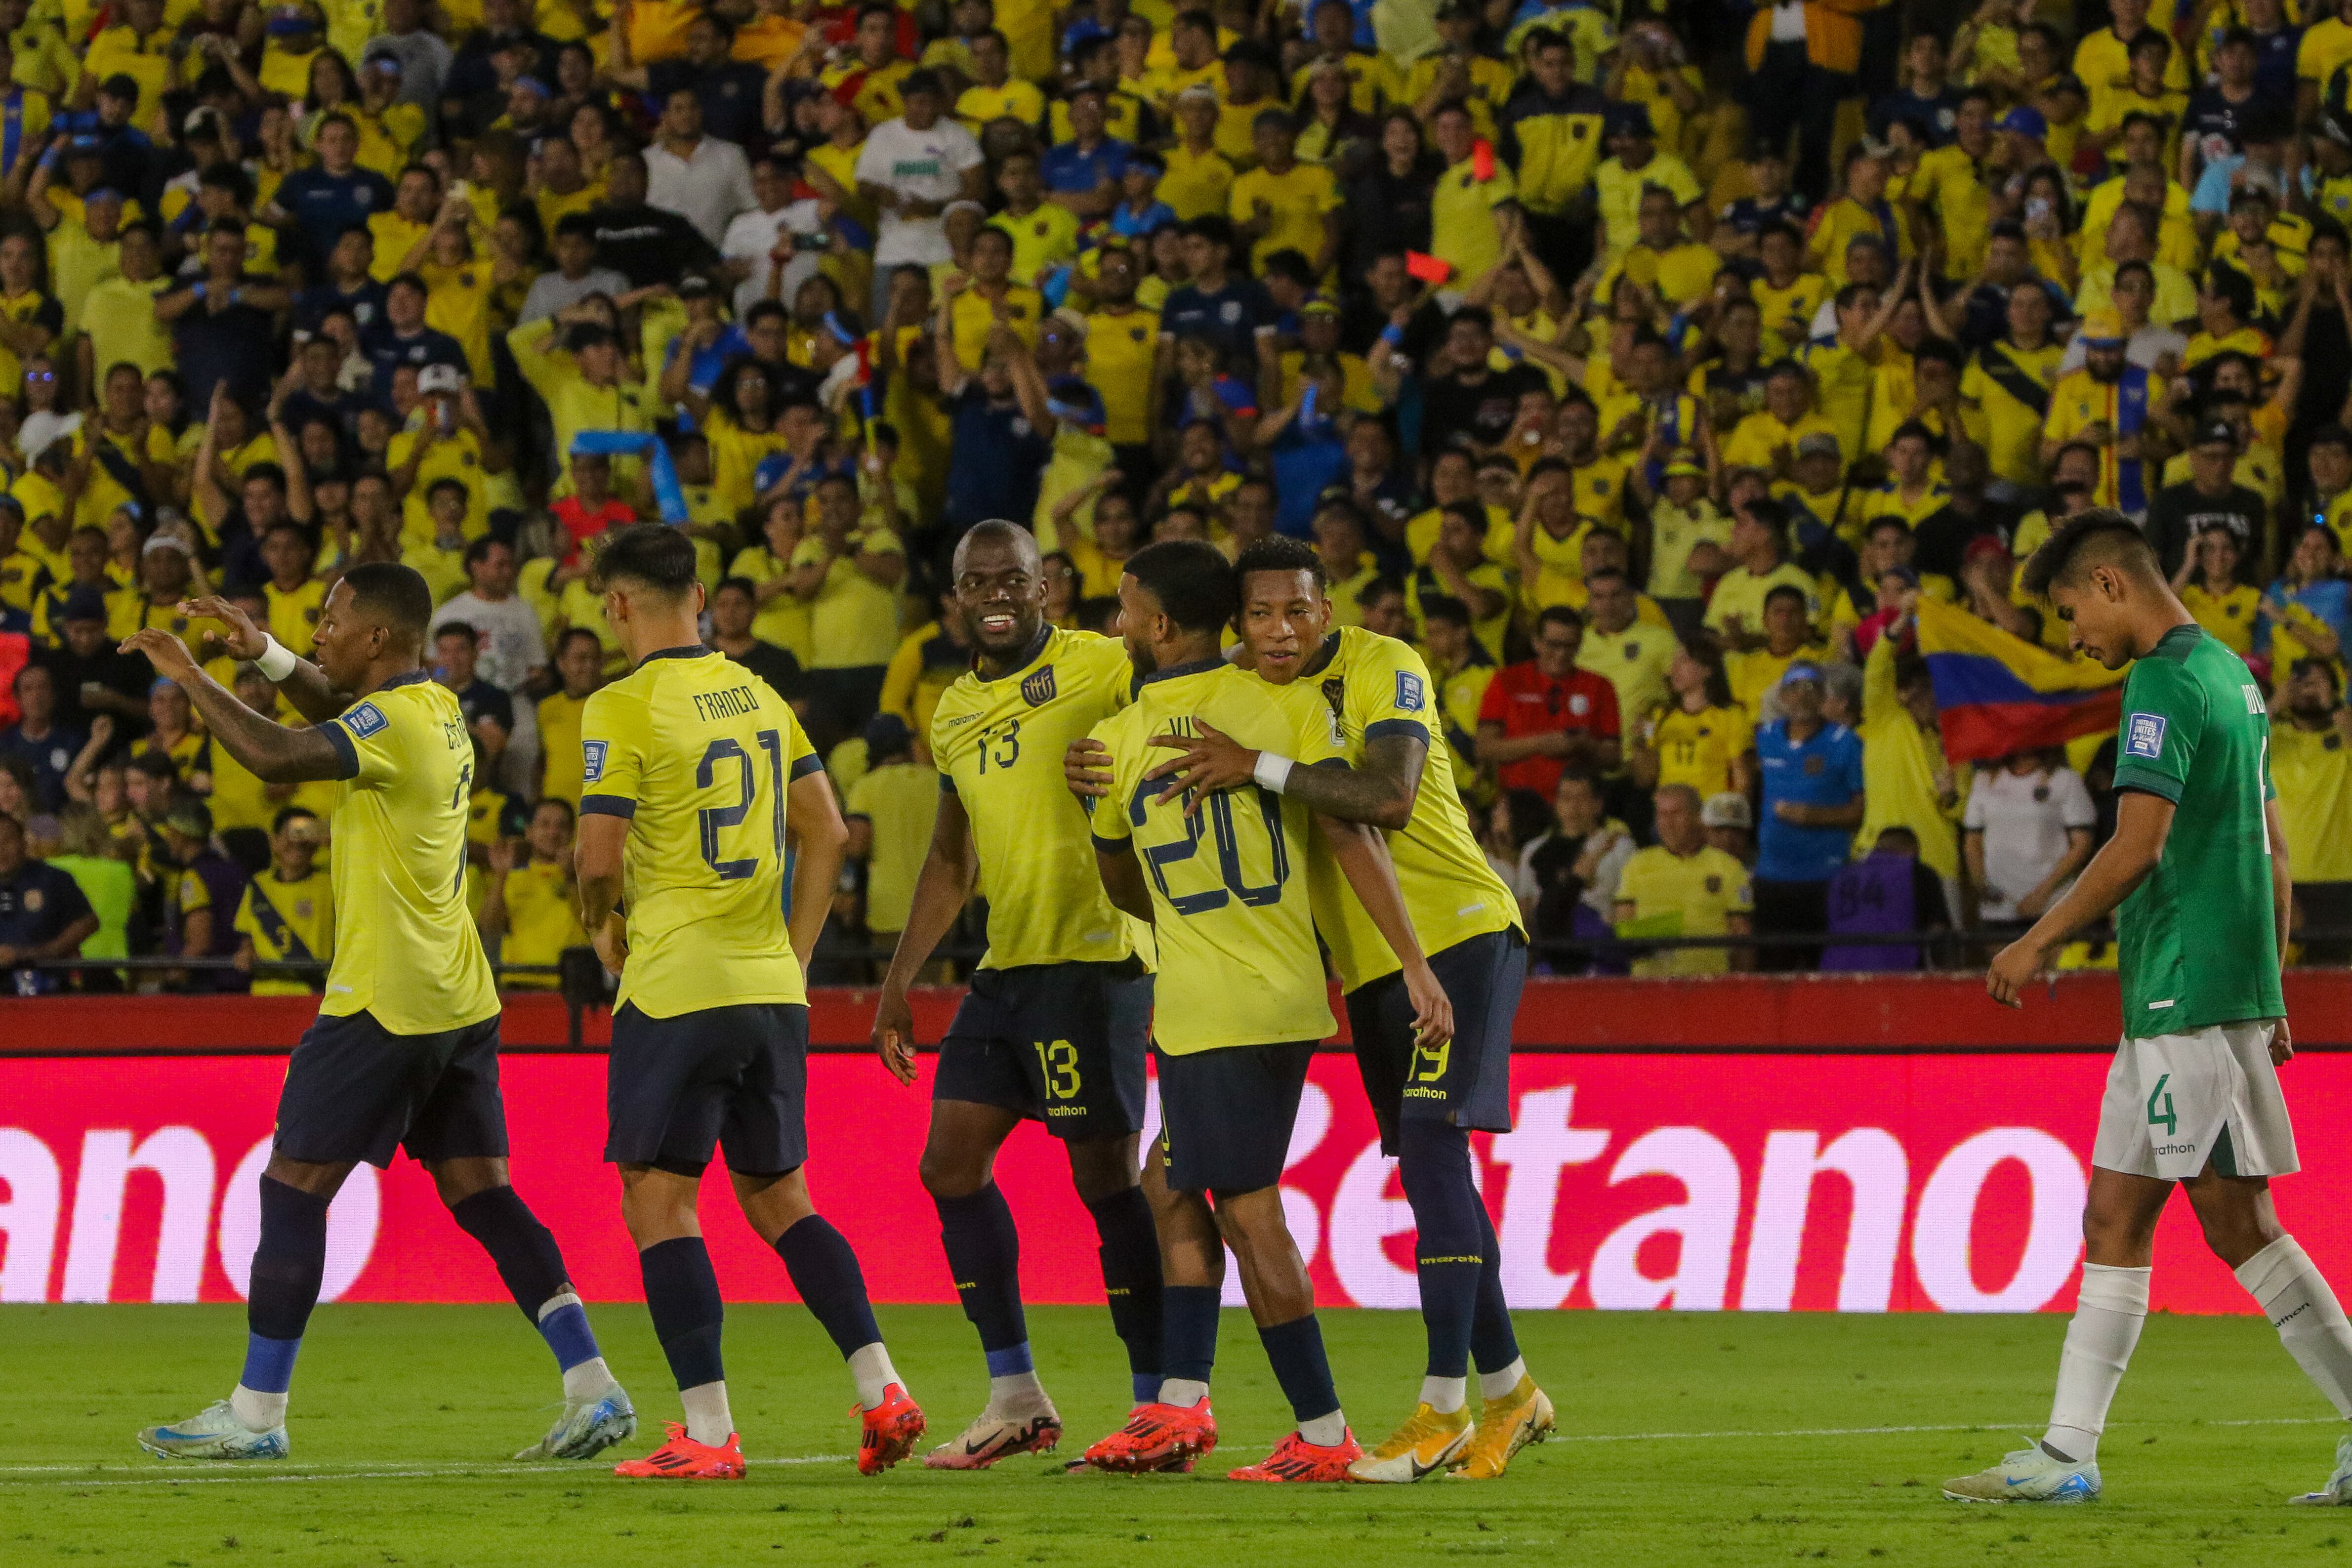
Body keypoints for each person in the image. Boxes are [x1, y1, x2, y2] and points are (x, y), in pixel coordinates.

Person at [128, 571, 633, 1464]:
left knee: (291, 1188)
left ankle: (256, 1412)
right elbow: (331, 700)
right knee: (485, 1192)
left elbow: (280, 755)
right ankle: (593, 1387)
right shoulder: (431, 703)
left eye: (331, 622)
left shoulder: (392, 723)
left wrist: (191, 678)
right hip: (459, 998)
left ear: (376, 639)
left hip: (383, 1000)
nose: (320, 633)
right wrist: (265, 650)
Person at [1124, 535, 1548, 1481]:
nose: (1281, 631)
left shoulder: (1382, 664)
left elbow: (1386, 799)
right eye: (1261, 614)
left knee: (1435, 1149)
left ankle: (1441, 1407)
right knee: (1434, 1167)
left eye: (1299, 610)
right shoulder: (1247, 696)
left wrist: (1257, 764)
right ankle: (1513, 1389)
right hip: (1366, 968)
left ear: (1328, 607)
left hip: (1458, 933)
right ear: (1237, 620)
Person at [1953, 510, 2352, 1505]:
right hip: (2189, 996)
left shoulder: (2164, 681)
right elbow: (2273, 847)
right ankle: (2064, 1455)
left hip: (2188, 995)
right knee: (2112, 1218)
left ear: (2107, 583)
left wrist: (2037, 937)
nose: (2072, 637)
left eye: (2068, 613)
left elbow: (2137, 844)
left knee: (2238, 1226)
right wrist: (2271, 987)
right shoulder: (2231, 675)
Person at [1074, 538, 1444, 1482]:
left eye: (1123, 608)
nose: (1115, 622)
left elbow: (1121, 883)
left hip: (1223, 1003)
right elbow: (1350, 829)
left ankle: (1322, 1433)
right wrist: (1410, 959)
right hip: (1255, 995)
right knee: (1171, 1184)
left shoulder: (1117, 741)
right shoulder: (1282, 709)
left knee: (1246, 1211)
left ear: (1158, 624)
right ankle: (1179, 1404)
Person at [573, 525, 923, 1481]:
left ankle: (709, 1433)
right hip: (770, 989)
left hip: (678, 985)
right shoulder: (761, 694)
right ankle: (882, 1387)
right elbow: (830, 832)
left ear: (617, 605)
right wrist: (795, 956)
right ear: (698, 593)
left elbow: (599, 857)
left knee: (659, 1202)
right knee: (780, 1198)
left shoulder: (621, 703)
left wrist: (603, 929)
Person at [868, 521, 1163, 1467]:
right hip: (1005, 968)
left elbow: (1189, 705)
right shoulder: (953, 710)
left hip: (1097, 960)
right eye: (976, 579)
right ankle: (1017, 1395)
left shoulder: (1106, 663)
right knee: (948, 1165)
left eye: (1013, 578)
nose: (995, 592)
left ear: (1047, 589)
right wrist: (898, 981)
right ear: (956, 594)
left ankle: (1159, 1403)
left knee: (1105, 1182)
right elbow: (952, 856)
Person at [1749, 660, 1864, 970]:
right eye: (1794, 689)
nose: (1803, 696)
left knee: (1825, 975)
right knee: (1773, 975)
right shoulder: (1765, 737)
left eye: (1812, 688)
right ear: (1784, 697)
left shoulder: (1846, 744)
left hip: (1824, 877)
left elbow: (1858, 812)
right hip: (1772, 877)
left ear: (1824, 697)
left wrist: (1811, 816)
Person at [1613, 783, 1753, 977]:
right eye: (1662, 814)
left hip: (1709, 989)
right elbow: (1623, 928)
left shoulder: (1729, 868)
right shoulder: (1637, 865)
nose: (1668, 823)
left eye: (1677, 814)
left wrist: (1740, 990)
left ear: (1698, 818)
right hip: (1650, 988)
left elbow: (1741, 937)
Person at [232, 806, 332, 996]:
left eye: (305, 834)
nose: (297, 842)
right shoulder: (258, 884)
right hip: (265, 993)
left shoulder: (331, 883)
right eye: (291, 834)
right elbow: (248, 939)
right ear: (274, 841)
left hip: (314, 994)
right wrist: (246, 954)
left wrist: (331, 838)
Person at [0, 808, 96, 993]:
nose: (1, 849)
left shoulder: (53, 878)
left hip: (50, 984)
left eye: (8, 840)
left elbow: (87, 923)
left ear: (23, 842)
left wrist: (43, 953)